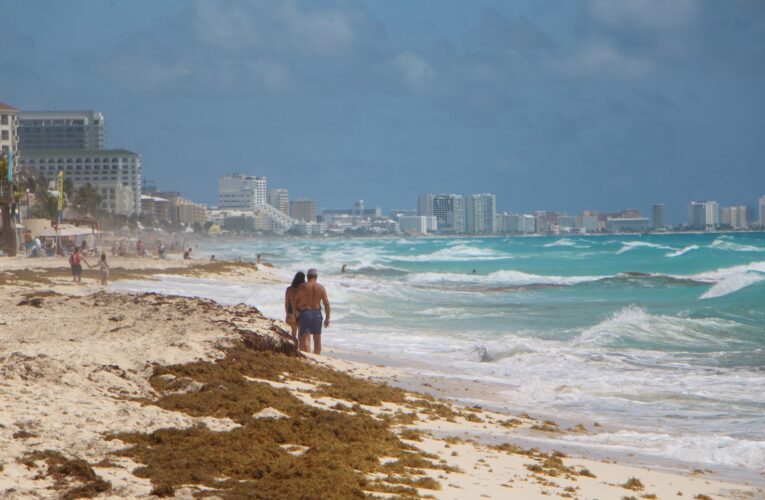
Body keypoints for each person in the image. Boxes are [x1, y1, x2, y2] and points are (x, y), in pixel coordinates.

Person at [294, 268, 330, 354]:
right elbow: (326, 304)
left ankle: (309, 357)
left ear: (307, 277)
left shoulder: (303, 286)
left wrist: (296, 310)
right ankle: (317, 357)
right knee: (317, 339)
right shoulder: (321, 288)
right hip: (317, 314)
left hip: (306, 313)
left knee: (306, 337)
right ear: (316, 277)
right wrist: (327, 318)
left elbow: (296, 299)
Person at [284, 271, 306, 343]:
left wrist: (288, 313)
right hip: (301, 312)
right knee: (302, 336)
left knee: (292, 334)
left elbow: (286, 303)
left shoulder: (289, 289)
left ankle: (293, 349)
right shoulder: (304, 290)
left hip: (291, 312)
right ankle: (301, 350)